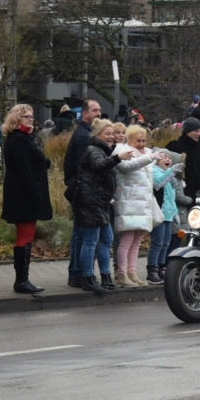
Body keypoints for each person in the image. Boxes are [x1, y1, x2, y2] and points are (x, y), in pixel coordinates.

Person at [72, 119, 134, 293]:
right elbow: (99, 166)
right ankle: (88, 278)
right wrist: (117, 158)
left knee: (106, 239)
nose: (111, 137)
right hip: (90, 202)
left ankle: (105, 276)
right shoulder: (93, 150)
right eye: (107, 133)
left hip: (102, 202)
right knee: (90, 241)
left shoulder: (106, 151)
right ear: (98, 135)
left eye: (113, 134)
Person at [0, 104, 53, 294]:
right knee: (25, 236)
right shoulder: (20, 140)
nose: (31, 119)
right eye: (26, 117)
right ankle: (22, 281)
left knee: (24, 236)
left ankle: (22, 280)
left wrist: (42, 162)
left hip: (20, 195)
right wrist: (36, 197)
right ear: (16, 119)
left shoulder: (20, 139)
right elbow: (25, 172)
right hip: (23, 196)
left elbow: (30, 162)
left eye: (32, 116)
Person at [112, 126, 167, 287]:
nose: (141, 144)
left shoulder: (148, 153)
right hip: (129, 201)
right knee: (127, 240)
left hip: (143, 203)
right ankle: (122, 273)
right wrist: (150, 157)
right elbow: (127, 166)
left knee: (136, 240)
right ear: (129, 140)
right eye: (138, 140)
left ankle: (132, 272)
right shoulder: (122, 150)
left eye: (143, 140)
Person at [63, 99, 102, 287]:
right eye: (94, 110)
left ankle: (76, 273)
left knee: (80, 233)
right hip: (83, 190)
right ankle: (79, 273)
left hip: (80, 187)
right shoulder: (84, 136)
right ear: (84, 113)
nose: (98, 113)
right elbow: (82, 165)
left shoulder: (86, 133)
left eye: (99, 110)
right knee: (83, 234)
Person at [147, 151, 185, 285]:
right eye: (164, 157)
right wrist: (171, 172)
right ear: (157, 160)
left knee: (166, 243)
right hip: (159, 213)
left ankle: (162, 267)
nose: (168, 159)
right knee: (158, 242)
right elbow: (158, 183)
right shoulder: (156, 171)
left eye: (169, 157)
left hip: (168, 214)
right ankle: (152, 269)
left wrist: (175, 213)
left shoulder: (168, 174)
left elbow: (171, 197)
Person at [167, 117, 200, 200]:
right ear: (187, 132)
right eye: (196, 131)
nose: (199, 134)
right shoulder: (175, 147)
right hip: (182, 192)